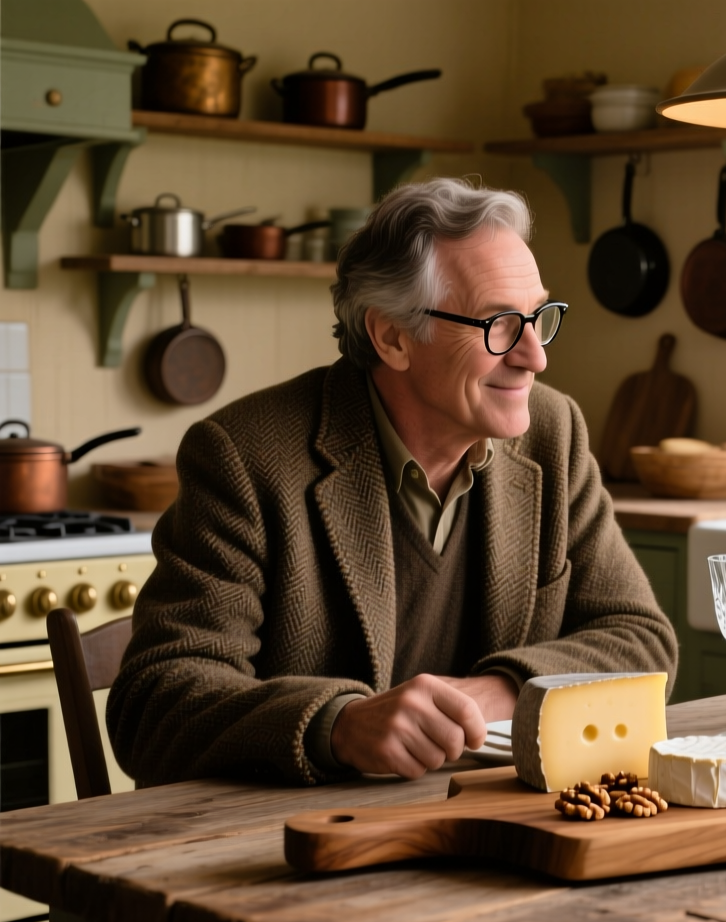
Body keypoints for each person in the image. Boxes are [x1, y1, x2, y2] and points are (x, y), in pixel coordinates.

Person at [109, 179, 677, 786]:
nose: (535, 357)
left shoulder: (554, 434)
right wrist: (337, 724)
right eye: (500, 325)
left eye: (539, 317)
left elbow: (643, 643)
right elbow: (155, 704)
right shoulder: (245, 457)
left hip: (497, 824)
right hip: (294, 846)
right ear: (392, 337)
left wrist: (501, 690)